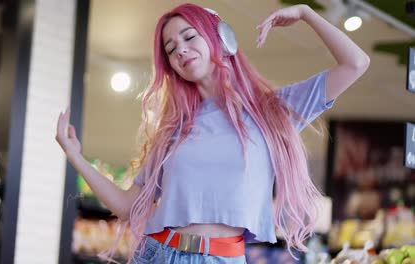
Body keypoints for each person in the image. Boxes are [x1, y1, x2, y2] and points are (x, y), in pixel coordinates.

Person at [56, 3, 370, 264]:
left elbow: (355, 63)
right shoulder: (175, 128)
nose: (181, 50)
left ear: (221, 37)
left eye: (189, 37)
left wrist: (306, 13)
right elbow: (127, 206)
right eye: (171, 48)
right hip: (158, 254)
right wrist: (76, 156)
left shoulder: (273, 111)